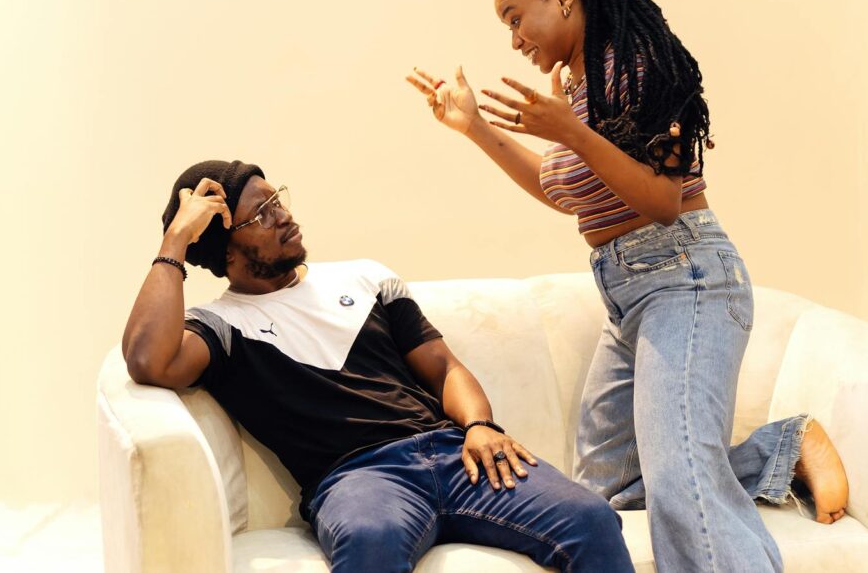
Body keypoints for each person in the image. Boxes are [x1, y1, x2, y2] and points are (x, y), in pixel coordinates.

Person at [407, 0, 849, 573]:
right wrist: (474, 127)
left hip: (686, 278)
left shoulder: (644, 66)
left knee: (683, 482)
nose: (513, 38)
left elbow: (662, 198)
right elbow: (565, 191)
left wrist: (571, 131)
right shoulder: (577, 87)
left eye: (515, 16)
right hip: (630, 294)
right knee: (607, 487)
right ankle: (780, 449)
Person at [121, 159, 636, 573]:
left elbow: (443, 369)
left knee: (590, 519)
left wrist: (480, 425)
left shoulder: (365, 279)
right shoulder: (222, 327)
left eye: (277, 198)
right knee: (371, 543)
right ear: (223, 249)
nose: (283, 215)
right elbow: (148, 359)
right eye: (261, 215)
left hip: (457, 453)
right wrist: (175, 243)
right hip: (357, 479)